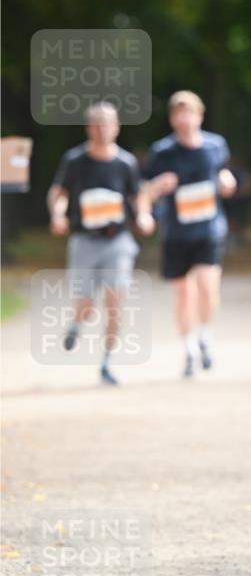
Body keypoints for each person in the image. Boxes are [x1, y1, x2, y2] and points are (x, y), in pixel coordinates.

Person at [47, 102, 155, 385]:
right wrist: (58, 214)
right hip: (84, 240)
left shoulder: (126, 163)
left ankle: (107, 362)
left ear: (117, 127)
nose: (103, 128)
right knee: (86, 304)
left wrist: (143, 215)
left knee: (115, 301)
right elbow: (59, 192)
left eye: (108, 123)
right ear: (88, 128)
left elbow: (138, 195)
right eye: (97, 123)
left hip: (117, 240)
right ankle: (76, 325)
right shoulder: (75, 161)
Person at [143, 90, 237, 378]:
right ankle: (189, 349)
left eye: (190, 112)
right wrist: (158, 187)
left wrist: (227, 181)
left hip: (209, 228)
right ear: (172, 119)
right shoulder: (162, 152)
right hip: (176, 233)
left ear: (200, 115)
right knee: (183, 294)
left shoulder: (215, 145)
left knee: (208, 288)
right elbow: (143, 191)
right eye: (179, 113)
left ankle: (205, 334)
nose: (184, 118)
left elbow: (224, 176)